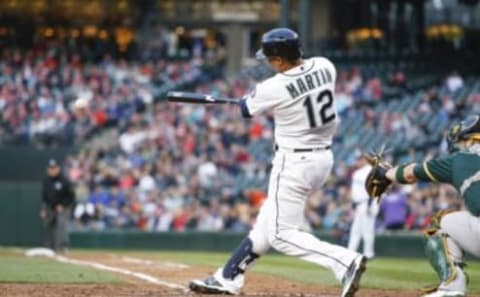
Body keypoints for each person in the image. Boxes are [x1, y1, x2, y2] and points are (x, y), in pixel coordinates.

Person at [189, 28, 366, 297]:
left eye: (271, 60)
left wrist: (249, 99)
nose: (269, 64)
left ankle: (344, 262)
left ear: (280, 60)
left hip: (295, 162)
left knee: (281, 235)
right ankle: (228, 278)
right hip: (323, 159)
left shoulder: (273, 86)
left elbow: (246, 109)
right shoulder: (324, 65)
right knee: (266, 225)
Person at [371, 114, 480, 297]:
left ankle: (453, 286)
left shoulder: (459, 160)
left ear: (468, 139)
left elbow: (410, 173)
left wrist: (385, 173)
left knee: (438, 223)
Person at [40, 158, 75, 253]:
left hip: (63, 208)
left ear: (58, 168)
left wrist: (63, 205)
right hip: (50, 207)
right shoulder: (46, 181)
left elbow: (71, 196)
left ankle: (63, 247)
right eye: (50, 168)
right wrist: (43, 209)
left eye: (54, 168)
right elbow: (44, 196)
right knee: (48, 226)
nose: (52, 170)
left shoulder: (64, 180)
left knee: (61, 225)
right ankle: (50, 247)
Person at [347, 155, 378, 259]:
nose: (357, 161)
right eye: (357, 159)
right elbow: (355, 191)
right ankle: (351, 252)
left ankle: (368, 254)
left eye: (359, 159)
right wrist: (353, 205)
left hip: (368, 203)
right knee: (355, 230)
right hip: (358, 204)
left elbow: (373, 189)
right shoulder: (356, 173)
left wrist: (370, 204)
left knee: (367, 230)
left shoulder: (371, 171)